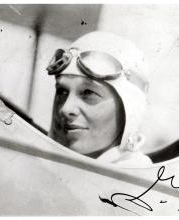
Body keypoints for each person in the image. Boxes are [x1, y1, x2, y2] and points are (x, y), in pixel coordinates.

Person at [47, 31, 152, 168]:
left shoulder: (137, 184)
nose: (66, 109)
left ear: (130, 110)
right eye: (62, 91)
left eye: (88, 93)